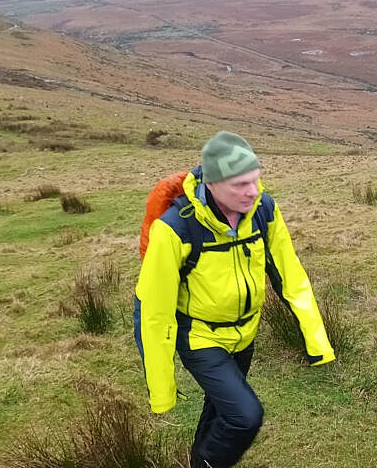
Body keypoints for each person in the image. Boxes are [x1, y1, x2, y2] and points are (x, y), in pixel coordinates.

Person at [134, 131, 335, 468]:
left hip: (245, 333)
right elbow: (154, 311)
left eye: (255, 181)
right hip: (199, 336)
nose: (253, 191)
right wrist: (162, 389)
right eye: (240, 184)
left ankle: (199, 460)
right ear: (211, 184)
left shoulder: (263, 211)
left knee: (220, 408)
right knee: (245, 416)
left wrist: (317, 341)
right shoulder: (175, 229)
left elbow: (292, 277)